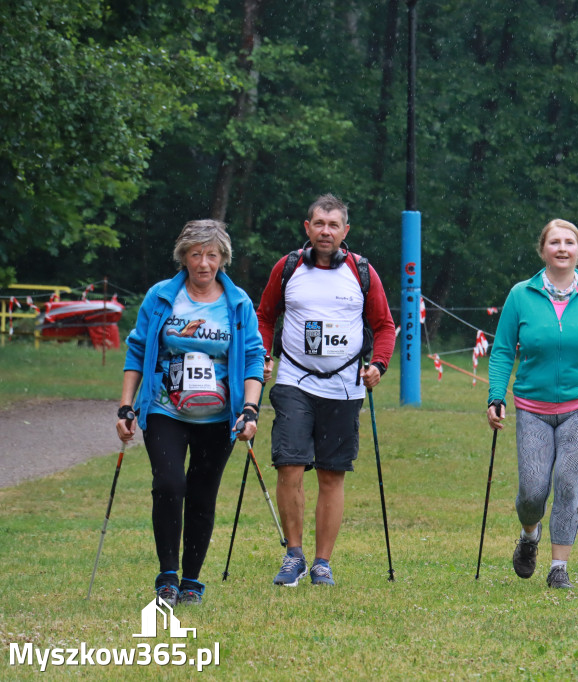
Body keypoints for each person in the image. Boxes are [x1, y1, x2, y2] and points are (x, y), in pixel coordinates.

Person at [117, 220, 266, 606]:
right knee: (169, 485)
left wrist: (250, 409)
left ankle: (192, 581)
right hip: (165, 410)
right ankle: (167, 575)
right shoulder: (161, 297)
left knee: (202, 494)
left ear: (222, 258)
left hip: (219, 418)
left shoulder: (238, 303)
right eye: (196, 254)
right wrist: (126, 406)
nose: (204, 263)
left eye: (212, 255)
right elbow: (136, 350)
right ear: (184, 256)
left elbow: (252, 357)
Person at [487, 218, 578, 589]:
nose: (563, 248)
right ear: (543, 250)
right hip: (532, 406)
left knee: (568, 483)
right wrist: (495, 395)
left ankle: (559, 568)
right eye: (555, 242)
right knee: (533, 491)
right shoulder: (521, 295)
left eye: (570, 242)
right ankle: (529, 536)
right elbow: (503, 350)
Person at [257, 194, 395, 588]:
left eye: (334, 225)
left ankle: (322, 563)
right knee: (290, 465)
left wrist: (378, 365)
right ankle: (294, 555)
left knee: (333, 475)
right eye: (319, 223)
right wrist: (262, 355)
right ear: (307, 227)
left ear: (345, 231)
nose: (326, 231)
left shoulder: (362, 272)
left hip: (344, 387)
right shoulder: (287, 269)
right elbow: (265, 316)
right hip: (294, 382)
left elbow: (384, 326)